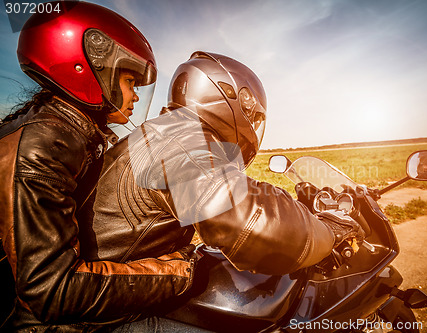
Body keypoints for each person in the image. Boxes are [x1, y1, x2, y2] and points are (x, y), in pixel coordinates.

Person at [80, 51, 365, 282]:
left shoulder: (163, 134)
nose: (252, 126)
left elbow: (228, 193)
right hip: (100, 322)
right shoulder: (176, 141)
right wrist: (330, 231)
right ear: (235, 100)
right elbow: (253, 224)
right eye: (252, 117)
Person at [0, 2, 195, 332]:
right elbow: (50, 291)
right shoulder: (45, 144)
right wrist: (176, 273)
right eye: (130, 80)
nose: (135, 97)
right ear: (88, 65)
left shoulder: (67, 132)